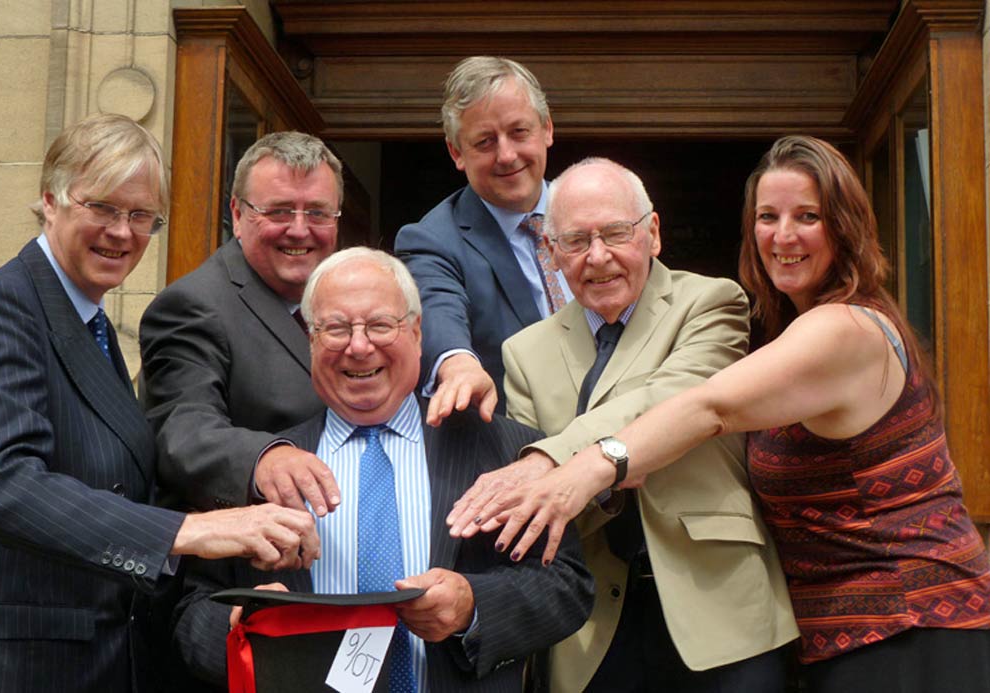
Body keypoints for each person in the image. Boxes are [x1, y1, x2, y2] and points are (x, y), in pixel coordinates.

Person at [457, 136, 990, 693]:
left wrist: (577, 465)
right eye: (768, 216)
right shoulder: (789, 329)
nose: (783, 235)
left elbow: (707, 404)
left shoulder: (841, 328)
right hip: (840, 631)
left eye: (808, 216)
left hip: (910, 617)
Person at [0, 113, 319, 693]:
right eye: (102, 207)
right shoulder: (0, 306)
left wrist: (232, 557)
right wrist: (186, 532)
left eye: (141, 216)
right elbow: (4, 485)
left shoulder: (89, 323)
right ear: (50, 200)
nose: (122, 232)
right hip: (15, 667)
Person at [173, 248, 593, 692]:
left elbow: (567, 586)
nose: (358, 346)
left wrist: (473, 606)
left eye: (379, 325)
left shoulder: (500, 448)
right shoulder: (261, 466)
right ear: (310, 338)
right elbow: (192, 613)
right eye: (335, 328)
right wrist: (239, 627)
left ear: (416, 331)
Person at [449, 158, 796, 692]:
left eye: (615, 233)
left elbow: (675, 397)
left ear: (652, 233)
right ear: (551, 251)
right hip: (591, 623)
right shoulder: (525, 354)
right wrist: (603, 487)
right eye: (575, 240)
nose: (598, 257)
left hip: (720, 606)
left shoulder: (710, 302)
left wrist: (556, 458)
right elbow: (536, 507)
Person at [140, 131, 343, 515]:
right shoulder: (192, 305)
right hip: (249, 563)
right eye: (279, 211)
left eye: (317, 212)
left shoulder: (344, 296)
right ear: (237, 214)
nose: (299, 229)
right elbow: (184, 430)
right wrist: (264, 459)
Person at [394, 56, 572, 424]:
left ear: (547, 129)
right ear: (457, 152)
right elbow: (437, 308)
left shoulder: (601, 206)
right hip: (520, 449)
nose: (506, 155)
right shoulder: (432, 240)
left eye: (519, 132)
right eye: (485, 142)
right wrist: (458, 364)